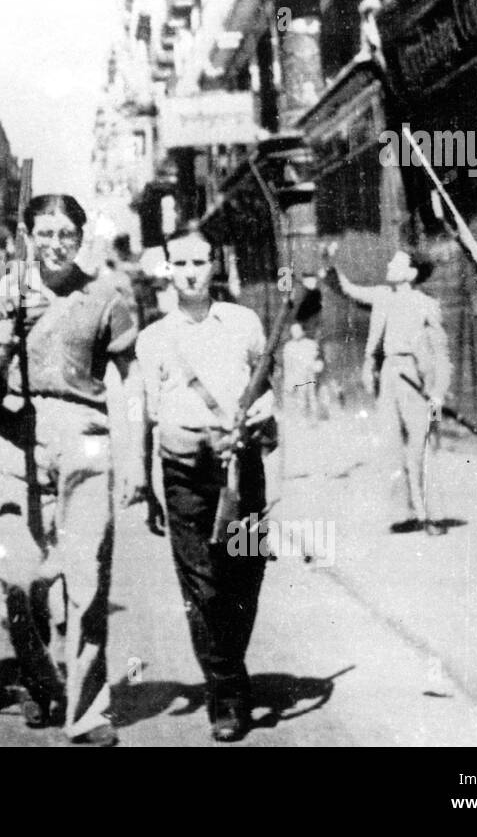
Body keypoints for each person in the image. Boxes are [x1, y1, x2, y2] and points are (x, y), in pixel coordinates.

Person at [0, 194, 140, 747]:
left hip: (84, 436)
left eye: (65, 233)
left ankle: (88, 711)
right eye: (43, 233)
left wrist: (132, 456)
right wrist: (0, 346)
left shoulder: (104, 295)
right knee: (15, 578)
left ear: (81, 235)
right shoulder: (7, 292)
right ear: (28, 236)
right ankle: (42, 681)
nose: (54, 244)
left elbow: (125, 379)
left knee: (87, 578)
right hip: (15, 435)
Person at [133, 230, 274, 742]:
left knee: (246, 574)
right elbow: (147, 419)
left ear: (215, 264)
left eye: (199, 261)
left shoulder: (244, 323)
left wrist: (265, 410)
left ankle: (227, 669)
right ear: (167, 269)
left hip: (242, 470)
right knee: (204, 587)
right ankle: (227, 693)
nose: (190, 271)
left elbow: (267, 385)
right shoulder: (153, 338)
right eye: (180, 263)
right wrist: (145, 486)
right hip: (185, 476)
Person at [328, 250, 452, 536]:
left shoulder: (427, 305)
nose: (388, 264)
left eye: (396, 261)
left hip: (416, 376)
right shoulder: (383, 296)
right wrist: (331, 264)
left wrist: (438, 394)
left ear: (411, 273)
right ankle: (404, 513)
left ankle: (430, 514)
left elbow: (442, 353)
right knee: (391, 443)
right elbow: (349, 290)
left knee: (420, 445)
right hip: (389, 374)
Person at [280, 323, 324, 422]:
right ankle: (301, 418)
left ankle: (314, 417)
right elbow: (287, 365)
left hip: (310, 374)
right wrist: (288, 380)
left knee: (312, 395)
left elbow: (317, 359)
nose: (296, 333)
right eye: (294, 331)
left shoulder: (310, 344)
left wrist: (316, 367)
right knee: (300, 397)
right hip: (297, 375)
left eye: (298, 331)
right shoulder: (289, 346)